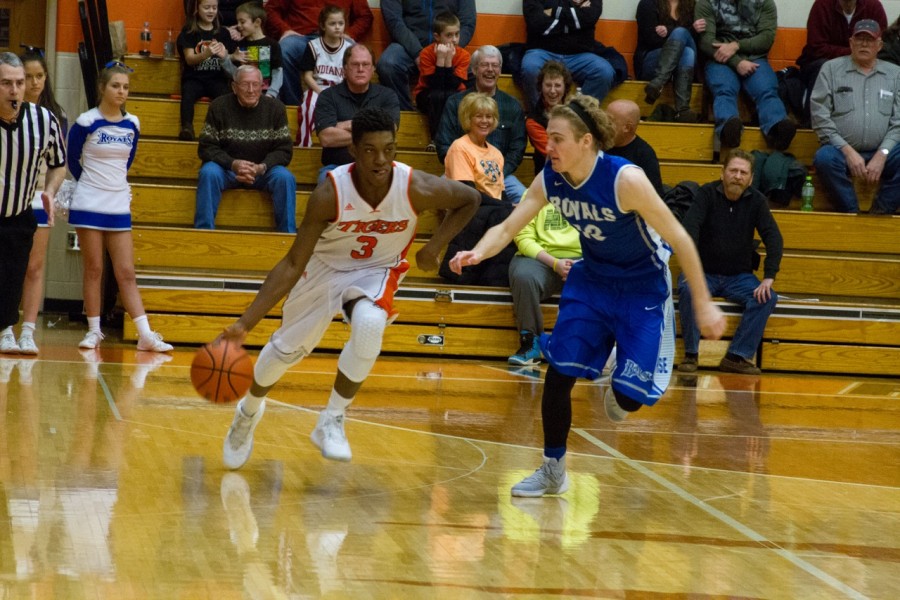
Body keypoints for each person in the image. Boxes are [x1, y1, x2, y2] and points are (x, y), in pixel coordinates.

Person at [448, 94, 725, 497]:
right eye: (549, 138)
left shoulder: (624, 179)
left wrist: (702, 302)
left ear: (586, 143)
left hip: (641, 287)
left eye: (558, 139)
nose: (549, 147)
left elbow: (679, 237)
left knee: (628, 401)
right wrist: (478, 251)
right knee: (559, 373)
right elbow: (509, 227)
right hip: (591, 280)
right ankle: (552, 469)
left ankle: (619, 368)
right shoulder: (550, 178)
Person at [219, 108, 481, 469]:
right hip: (324, 269)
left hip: (377, 270)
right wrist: (246, 323)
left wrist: (435, 246)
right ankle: (248, 412)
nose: (381, 160)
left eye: (389, 149)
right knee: (283, 353)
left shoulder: (414, 186)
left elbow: (470, 199)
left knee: (370, 326)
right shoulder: (330, 194)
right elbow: (293, 263)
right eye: (371, 150)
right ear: (354, 151)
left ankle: (332, 418)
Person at [66, 64, 173, 352]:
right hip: (89, 200)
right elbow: (72, 159)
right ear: (102, 88)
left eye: (125, 87)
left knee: (125, 271)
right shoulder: (86, 122)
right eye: (115, 86)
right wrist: (92, 184)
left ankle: (145, 335)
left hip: (117, 203)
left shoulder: (133, 124)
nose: (121, 92)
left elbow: (127, 160)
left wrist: (113, 185)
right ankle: (93, 331)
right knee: (94, 268)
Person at [677, 149, 782, 375]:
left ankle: (737, 356)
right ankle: (691, 355)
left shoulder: (757, 201)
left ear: (751, 178)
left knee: (767, 297)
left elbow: (774, 237)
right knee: (687, 288)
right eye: (733, 170)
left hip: (739, 277)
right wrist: (691, 269)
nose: (737, 176)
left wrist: (768, 277)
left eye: (743, 172)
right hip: (704, 273)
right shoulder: (706, 194)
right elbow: (690, 229)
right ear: (722, 173)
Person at [0, 53, 66, 355]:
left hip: (18, 212)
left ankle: (7, 331)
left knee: (15, 274)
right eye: (5, 83)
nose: (14, 89)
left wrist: (50, 192)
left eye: (18, 82)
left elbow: (58, 164)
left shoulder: (44, 120)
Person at [811, 19, 900, 215]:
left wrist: (882, 153)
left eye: (869, 40)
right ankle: (850, 211)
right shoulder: (830, 69)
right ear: (850, 43)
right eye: (859, 39)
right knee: (823, 158)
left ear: (879, 45)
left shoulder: (895, 74)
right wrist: (847, 151)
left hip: (885, 151)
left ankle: (882, 211)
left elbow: (899, 122)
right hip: (841, 151)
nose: (864, 44)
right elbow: (819, 115)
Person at [195, 65, 297, 233]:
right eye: (245, 85)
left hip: (263, 171)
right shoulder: (218, 106)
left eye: (255, 84)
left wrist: (261, 167)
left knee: (285, 177)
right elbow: (206, 147)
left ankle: (287, 235)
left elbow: (284, 150)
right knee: (208, 172)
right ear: (234, 87)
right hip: (227, 170)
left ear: (262, 86)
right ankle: (203, 233)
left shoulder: (276, 108)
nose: (251, 90)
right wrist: (233, 164)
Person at [695, 0, 797, 150]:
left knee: (766, 89)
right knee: (724, 88)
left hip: (754, 58)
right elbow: (706, 42)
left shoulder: (765, 3)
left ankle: (778, 128)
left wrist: (736, 46)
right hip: (720, 59)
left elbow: (766, 39)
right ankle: (728, 128)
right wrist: (737, 62)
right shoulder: (706, 2)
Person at [435, 46, 528, 203]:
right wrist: (468, 171)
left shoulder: (513, 106)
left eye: (495, 65)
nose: (490, 70)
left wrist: (495, 175)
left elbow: (517, 149)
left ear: (500, 70)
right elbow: (444, 145)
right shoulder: (455, 102)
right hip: (461, 172)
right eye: (485, 65)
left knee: (524, 198)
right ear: (474, 69)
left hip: (499, 174)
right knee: (441, 193)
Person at [507, 202, 581, 366]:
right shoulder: (537, 190)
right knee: (524, 276)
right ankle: (530, 343)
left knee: (607, 272)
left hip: (584, 259)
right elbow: (522, 236)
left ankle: (588, 348)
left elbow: (605, 237)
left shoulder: (593, 191)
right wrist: (555, 263)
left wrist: (584, 264)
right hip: (541, 259)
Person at [314, 45, 401, 183]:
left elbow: (390, 129)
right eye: (355, 64)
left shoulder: (387, 96)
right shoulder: (328, 96)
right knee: (325, 181)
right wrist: (371, 132)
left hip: (379, 167)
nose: (360, 69)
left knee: (400, 179)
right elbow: (327, 138)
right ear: (344, 69)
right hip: (337, 167)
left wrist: (344, 125)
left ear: (373, 69)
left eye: (365, 64)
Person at [265, 0, 373, 106]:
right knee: (285, 49)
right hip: (301, 38)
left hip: (338, 38)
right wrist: (284, 29)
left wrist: (350, 34)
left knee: (358, 53)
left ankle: (355, 104)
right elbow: (271, 10)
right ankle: (294, 106)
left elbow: (365, 16)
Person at [377, 0, 477, 111]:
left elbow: (468, 22)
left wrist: (452, 47)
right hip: (407, 46)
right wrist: (418, 53)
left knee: (479, 69)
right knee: (388, 63)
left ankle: (456, 120)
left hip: (449, 46)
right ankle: (405, 116)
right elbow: (394, 21)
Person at [797, 0, 887, 123]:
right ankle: (811, 125)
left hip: (862, 63)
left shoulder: (873, 6)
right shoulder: (821, 5)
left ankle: (877, 124)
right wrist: (854, 53)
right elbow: (816, 48)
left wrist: (859, 56)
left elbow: (881, 45)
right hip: (820, 64)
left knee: (882, 70)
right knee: (822, 67)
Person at [520, 0, 616, 111]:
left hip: (580, 55)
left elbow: (589, 18)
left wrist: (553, 12)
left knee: (604, 71)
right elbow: (536, 23)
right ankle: (541, 116)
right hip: (542, 52)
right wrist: (575, 19)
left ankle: (578, 117)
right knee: (530, 67)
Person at [177, 0, 238, 141]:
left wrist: (234, 56)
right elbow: (189, 59)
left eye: (214, 7)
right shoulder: (189, 31)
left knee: (226, 96)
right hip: (195, 78)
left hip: (215, 78)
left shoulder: (222, 33)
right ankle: (187, 127)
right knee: (188, 94)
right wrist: (206, 54)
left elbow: (225, 55)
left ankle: (225, 130)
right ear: (197, 9)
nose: (211, 11)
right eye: (206, 7)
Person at [634, 0, 705, 123]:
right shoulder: (648, 4)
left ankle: (658, 83)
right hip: (652, 62)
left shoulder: (693, 6)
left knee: (684, 40)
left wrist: (671, 30)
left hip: (684, 68)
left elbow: (701, 43)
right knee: (686, 50)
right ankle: (682, 110)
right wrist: (681, 34)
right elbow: (651, 39)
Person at [296, 5, 354, 147]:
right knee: (308, 105)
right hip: (318, 87)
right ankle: (304, 144)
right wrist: (320, 92)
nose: (337, 27)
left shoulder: (348, 47)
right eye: (332, 23)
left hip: (340, 89)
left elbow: (350, 76)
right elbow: (307, 76)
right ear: (323, 25)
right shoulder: (313, 46)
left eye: (341, 23)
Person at [413, 12, 471, 151]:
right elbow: (434, 85)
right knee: (438, 96)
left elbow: (454, 84)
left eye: (457, 34)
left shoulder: (464, 55)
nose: (455, 40)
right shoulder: (426, 53)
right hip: (427, 93)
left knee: (452, 98)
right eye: (449, 35)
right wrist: (440, 59)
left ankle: (454, 139)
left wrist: (448, 60)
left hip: (453, 91)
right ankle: (435, 139)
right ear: (437, 36)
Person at [445, 93, 506, 203]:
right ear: (468, 119)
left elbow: (501, 192)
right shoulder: (459, 147)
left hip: (495, 209)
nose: (484, 121)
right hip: (471, 209)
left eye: (489, 116)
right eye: (479, 116)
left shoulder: (496, 153)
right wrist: (502, 206)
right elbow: (468, 192)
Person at [605, 99, 665, 196]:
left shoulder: (644, 155)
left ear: (627, 128)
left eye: (610, 122)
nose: (604, 125)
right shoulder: (597, 145)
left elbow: (654, 197)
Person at [525, 60, 574, 174]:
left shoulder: (576, 111)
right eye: (548, 85)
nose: (552, 91)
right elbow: (554, 152)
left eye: (557, 85)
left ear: (565, 88)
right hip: (549, 175)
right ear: (541, 87)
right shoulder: (533, 121)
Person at [232, 1, 284, 99]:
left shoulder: (273, 45)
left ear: (257, 22)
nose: (238, 25)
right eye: (237, 22)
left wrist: (271, 93)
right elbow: (235, 73)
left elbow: (277, 72)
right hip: (245, 94)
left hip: (267, 94)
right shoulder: (240, 45)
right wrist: (226, 59)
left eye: (242, 22)